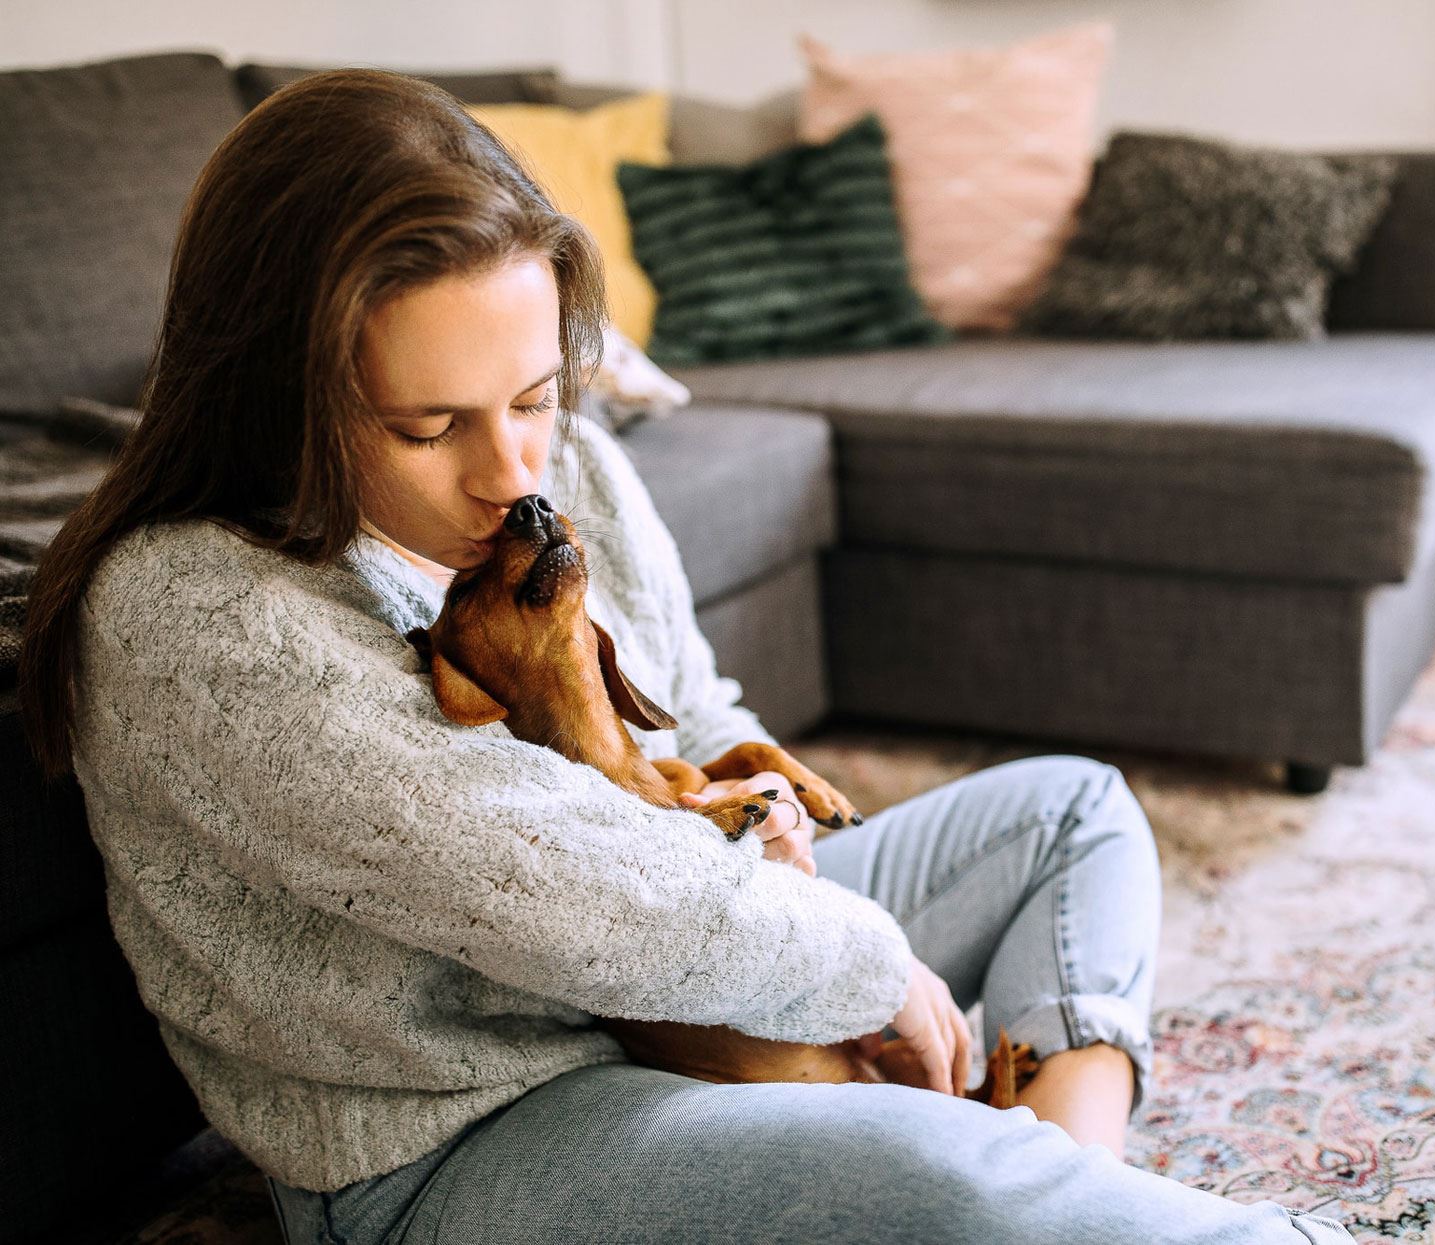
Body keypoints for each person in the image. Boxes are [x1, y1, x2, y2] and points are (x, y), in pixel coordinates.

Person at [19, 69, 1356, 1243]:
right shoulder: (198, 612)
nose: (512, 473)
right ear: (280, 395)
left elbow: (697, 715)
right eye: (428, 426)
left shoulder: (573, 468)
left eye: (535, 397)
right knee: (941, 1166)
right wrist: (868, 965)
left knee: (1077, 810)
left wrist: (766, 829)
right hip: (466, 1134)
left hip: (698, 963)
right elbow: (563, 896)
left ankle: (1070, 1163)